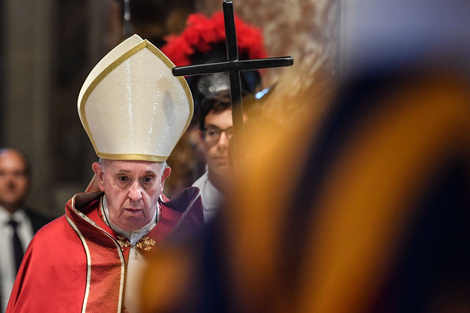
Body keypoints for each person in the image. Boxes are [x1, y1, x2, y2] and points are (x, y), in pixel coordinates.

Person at [6, 34, 204, 313]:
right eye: (123, 178)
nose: (135, 194)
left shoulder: (193, 243)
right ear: (100, 177)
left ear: (164, 178)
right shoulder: (51, 248)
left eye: (147, 179)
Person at [0, 148, 51, 312]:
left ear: (29, 180)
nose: (10, 181)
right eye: (2, 173)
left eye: (18, 173)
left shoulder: (46, 228)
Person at [192, 90, 233, 222]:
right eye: (213, 132)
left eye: (232, 132)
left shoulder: (274, 193)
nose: (222, 144)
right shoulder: (190, 208)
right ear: (201, 138)